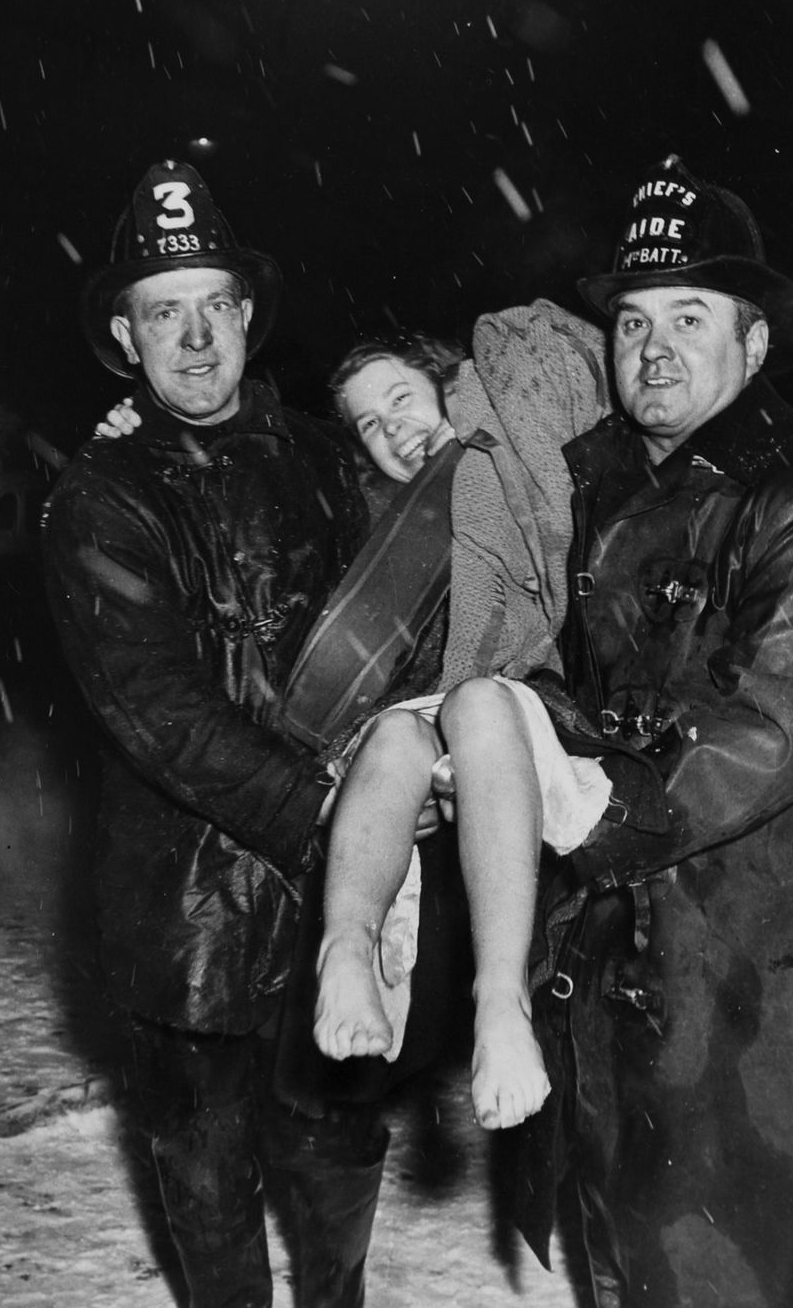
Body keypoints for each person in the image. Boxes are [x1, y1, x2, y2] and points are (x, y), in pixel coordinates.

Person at [510, 155, 793, 1308]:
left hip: (744, 971)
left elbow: (778, 723)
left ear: (754, 342)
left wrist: (596, 808)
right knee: (624, 1259)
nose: (654, 348)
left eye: (691, 316)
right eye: (631, 321)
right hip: (611, 951)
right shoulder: (602, 487)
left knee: (726, 1263)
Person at [41, 160, 387, 1308]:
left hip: (337, 921)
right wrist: (341, 821)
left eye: (212, 305)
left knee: (337, 1194)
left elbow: (415, 629)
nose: (192, 338)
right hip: (182, 931)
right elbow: (161, 715)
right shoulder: (100, 496)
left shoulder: (332, 463)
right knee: (212, 1220)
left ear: (246, 316)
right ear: (123, 334)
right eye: (160, 310)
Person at [309, 335, 612, 1131]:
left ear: (445, 382)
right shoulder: (394, 525)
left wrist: (490, 391)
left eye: (401, 398)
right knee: (390, 742)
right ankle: (346, 946)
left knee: (477, 702)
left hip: (543, 702)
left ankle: (501, 998)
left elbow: (568, 362)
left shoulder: (507, 444)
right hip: (450, 717)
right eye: (370, 424)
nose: (394, 429)